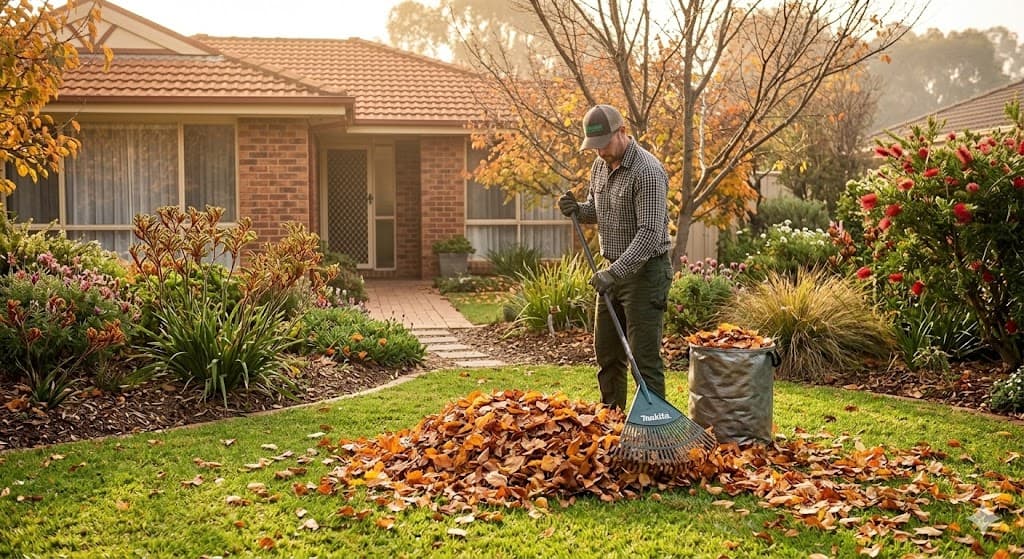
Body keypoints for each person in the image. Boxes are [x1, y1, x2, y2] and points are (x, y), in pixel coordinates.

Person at [558, 104, 673, 411]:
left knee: (643, 361)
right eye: (594, 146)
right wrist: (577, 210)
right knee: (607, 355)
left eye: (604, 143)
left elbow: (649, 234)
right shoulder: (600, 166)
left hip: (646, 275)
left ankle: (653, 429)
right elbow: (599, 210)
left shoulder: (647, 171)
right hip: (613, 272)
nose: (599, 152)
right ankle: (612, 422)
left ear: (622, 131)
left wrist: (613, 273)